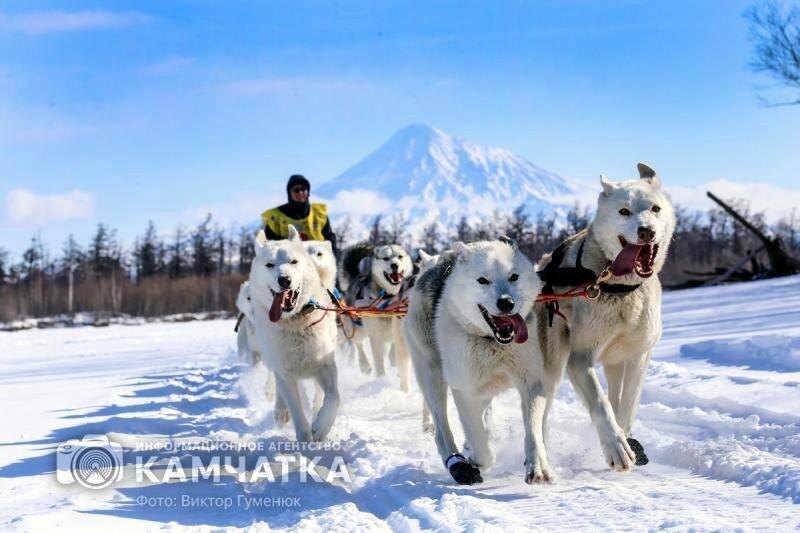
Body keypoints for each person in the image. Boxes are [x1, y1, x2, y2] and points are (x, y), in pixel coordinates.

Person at [262, 174, 337, 251]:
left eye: (304, 189)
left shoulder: (319, 214)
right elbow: (271, 244)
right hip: (289, 261)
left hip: (318, 259)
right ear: (289, 193)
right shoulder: (275, 217)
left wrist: (333, 256)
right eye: (296, 190)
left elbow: (329, 237)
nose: (301, 193)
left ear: (308, 192)